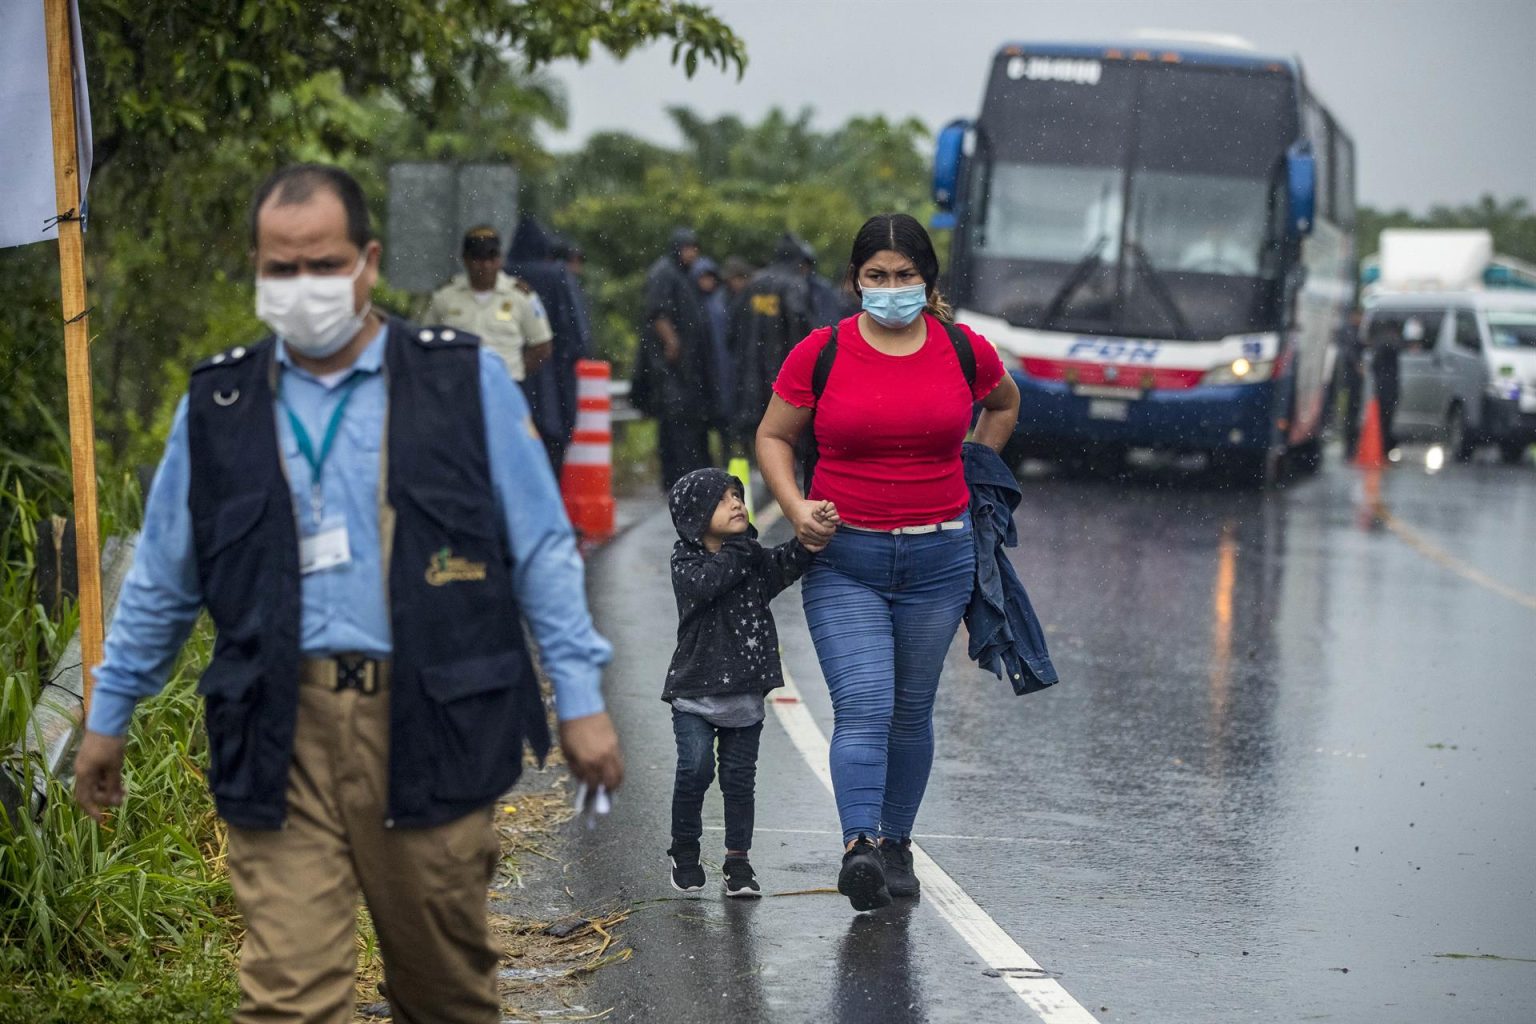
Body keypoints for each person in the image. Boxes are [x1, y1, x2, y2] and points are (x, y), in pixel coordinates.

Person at [71, 164, 623, 1024]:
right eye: (281, 269)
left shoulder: (458, 380)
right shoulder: (219, 402)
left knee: (444, 995)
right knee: (289, 999)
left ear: (367, 262)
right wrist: (109, 715)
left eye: (323, 265)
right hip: (275, 727)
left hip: (429, 721)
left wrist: (581, 700)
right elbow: (162, 578)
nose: (304, 287)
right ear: (255, 267)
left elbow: (542, 545)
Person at [755, 213, 1021, 912]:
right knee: (864, 704)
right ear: (855, 281)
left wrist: (975, 470)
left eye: (905, 276)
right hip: (846, 556)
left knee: (910, 710)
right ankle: (860, 846)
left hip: (940, 557)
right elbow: (775, 436)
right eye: (877, 276)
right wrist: (794, 504)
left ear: (928, 283)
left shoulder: (963, 350)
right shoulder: (823, 351)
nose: (891, 288)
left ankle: (897, 842)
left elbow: (1003, 404)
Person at [661, 468, 832, 897]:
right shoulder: (687, 562)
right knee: (695, 769)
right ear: (695, 517)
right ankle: (684, 851)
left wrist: (812, 538)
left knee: (739, 780)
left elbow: (784, 565)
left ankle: (738, 862)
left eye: (738, 495)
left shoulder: (751, 557)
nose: (737, 503)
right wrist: (744, 548)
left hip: (744, 697)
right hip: (694, 694)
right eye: (722, 500)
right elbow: (709, 583)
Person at [632, 227, 718, 489]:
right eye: (689, 248)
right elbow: (657, 312)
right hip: (671, 368)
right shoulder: (664, 273)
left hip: (685, 368)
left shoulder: (681, 274)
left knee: (684, 422)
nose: (694, 253)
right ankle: (676, 478)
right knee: (675, 423)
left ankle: (683, 476)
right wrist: (671, 341)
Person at [507, 216, 594, 477]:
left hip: (511, 383)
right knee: (550, 457)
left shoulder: (504, 277)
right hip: (553, 386)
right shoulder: (556, 276)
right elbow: (576, 335)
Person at [425, 225, 554, 382]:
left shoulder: (521, 296)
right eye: (478, 258)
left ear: (500, 259)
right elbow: (427, 339)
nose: (485, 265)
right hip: (456, 387)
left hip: (505, 387)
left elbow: (542, 346)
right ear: (465, 259)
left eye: (491, 258)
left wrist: (512, 373)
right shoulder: (445, 296)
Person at [726, 234, 815, 450]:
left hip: (752, 374)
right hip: (787, 373)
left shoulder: (753, 284)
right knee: (791, 439)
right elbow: (804, 330)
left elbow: (732, 328)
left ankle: (768, 479)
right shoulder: (794, 284)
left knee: (762, 436)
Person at [1336, 308, 1365, 457]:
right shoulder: (1350, 332)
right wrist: (1357, 365)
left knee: (1352, 413)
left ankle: (1351, 447)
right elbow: (1349, 352)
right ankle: (1349, 448)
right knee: (1351, 413)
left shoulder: (1356, 331)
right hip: (1351, 380)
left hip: (1352, 380)